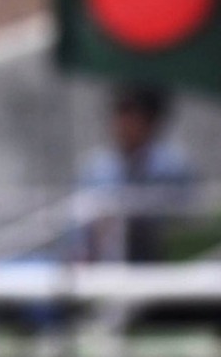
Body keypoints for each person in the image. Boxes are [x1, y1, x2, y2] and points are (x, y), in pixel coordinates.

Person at [75, 86, 196, 263]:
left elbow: (187, 225)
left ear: (151, 121)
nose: (123, 124)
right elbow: (79, 231)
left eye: (132, 115)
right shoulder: (96, 170)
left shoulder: (174, 169)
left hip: (163, 264)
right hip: (109, 266)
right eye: (120, 114)